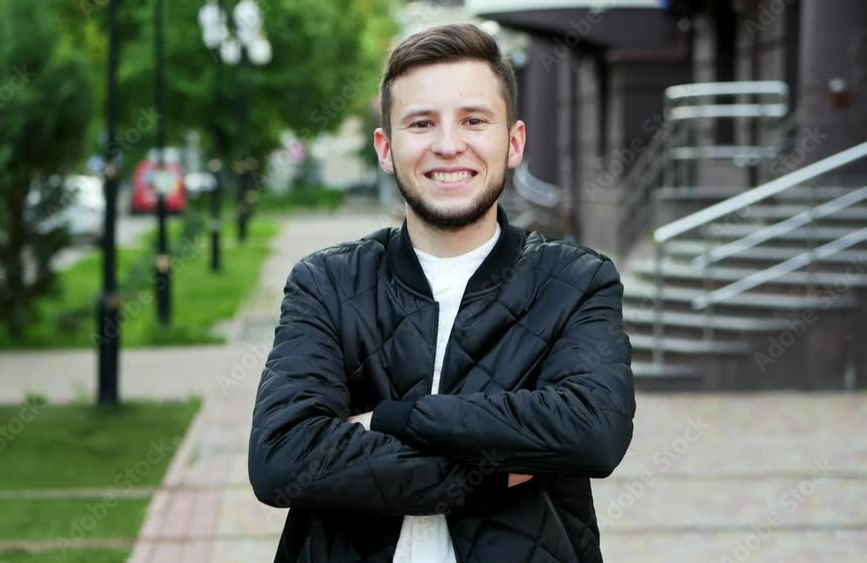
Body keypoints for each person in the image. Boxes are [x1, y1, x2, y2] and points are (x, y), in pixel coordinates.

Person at [249, 23, 635, 563]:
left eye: (474, 120)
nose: (449, 145)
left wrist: (391, 419)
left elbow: (594, 431)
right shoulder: (327, 283)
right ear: (386, 148)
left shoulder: (576, 283)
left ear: (513, 142)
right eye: (421, 123)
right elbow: (282, 458)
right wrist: (496, 471)